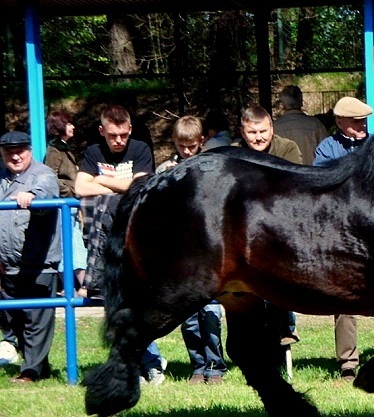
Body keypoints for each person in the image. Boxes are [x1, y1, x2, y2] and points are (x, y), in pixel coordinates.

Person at [313, 96, 374, 380]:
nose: (362, 125)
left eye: (364, 121)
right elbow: (321, 185)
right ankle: (347, 364)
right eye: (356, 122)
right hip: (342, 232)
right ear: (340, 122)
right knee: (343, 300)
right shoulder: (327, 149)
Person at [75, 104, 166, 384]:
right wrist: (116, 184)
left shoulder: (139, 148)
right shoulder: (93, 151)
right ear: (102, 131)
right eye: (113, 135)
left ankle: (149, 361)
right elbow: (80, 187)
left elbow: (141, 185)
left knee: (138, 303)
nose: (119, 141)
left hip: (135, 242)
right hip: (103, 244)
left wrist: (101, 180)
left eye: (123, 135)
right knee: (115, 306)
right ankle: (135, 363)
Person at [157, 116, 228, 384]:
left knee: (210, 312)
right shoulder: (166, 170)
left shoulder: (211, 168)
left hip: (207, 253)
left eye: (191, 145)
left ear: (201, 141)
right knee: (187, 317)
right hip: (179, 254)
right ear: (175, 143)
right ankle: (198, 365)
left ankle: (216, 365)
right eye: (181, 145)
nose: (187, 151)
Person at [235, 105, 302, 346]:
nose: (258, 137)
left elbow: (295, 188)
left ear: (271, 129)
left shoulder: (287, 148)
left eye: (263, 131)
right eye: (252, 133)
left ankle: (285, 328)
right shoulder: (233, 154)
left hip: (281, 227)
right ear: (243, 133)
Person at [0, 131, 61, 383]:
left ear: (30, 151)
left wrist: (32, 197)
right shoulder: (1, 175)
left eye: (20, 150)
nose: (15, 156)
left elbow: (46, 194)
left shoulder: (43, 173)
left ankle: (31, 371)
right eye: (9, 152)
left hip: (39, 263)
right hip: (6, 265)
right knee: (12, 318)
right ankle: (37, 367)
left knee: (36, 318)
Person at [44, 109, 87, 297]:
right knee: (71, 243)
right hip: (64, 205)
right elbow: (49, 176)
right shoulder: (55, 149)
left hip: (70, 204)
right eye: (69, 123)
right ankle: (78, 286)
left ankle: (75, 286)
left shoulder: (63, 147)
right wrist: (70, 190)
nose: (73, 127)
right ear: (60, 126)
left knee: (74, 242)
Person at [274, 85, 328, 165]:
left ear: (283, 105)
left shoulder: (274, 127)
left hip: (285, 175)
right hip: (311, 173)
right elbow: (327, 153)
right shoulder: (315, 124)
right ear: (301, 102)